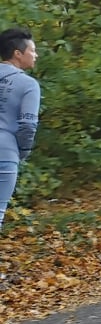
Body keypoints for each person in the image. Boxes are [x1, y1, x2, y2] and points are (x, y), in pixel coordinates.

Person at [0, 28, 41, 236]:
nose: (36, 55)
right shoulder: (28, 84)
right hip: (5, 154)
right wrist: (23, 152)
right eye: (32, 50)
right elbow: (28, 125)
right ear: (18, 53)